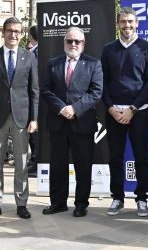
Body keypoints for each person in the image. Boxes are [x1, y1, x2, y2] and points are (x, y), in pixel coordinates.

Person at [40, 27, 103, 217]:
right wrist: (62, 108)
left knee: (83, 166)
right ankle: (58, 203)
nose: (73, 44)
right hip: (58, 122)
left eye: (77, 41)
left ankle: (81, 204)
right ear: (64, 43)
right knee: (57, 165)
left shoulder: (93, 64)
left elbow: (96, 92)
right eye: (70, 41)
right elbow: (46, 90)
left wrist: (74, 109)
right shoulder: (53, 63)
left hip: (82, 123)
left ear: (83, 44)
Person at [0, 17, 38, 220]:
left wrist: (34, 118)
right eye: (10, 31)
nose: (14, 34)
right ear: (3, 33)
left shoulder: (29, 57)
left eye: (17, 31)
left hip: (22, 118)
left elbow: (34, 91)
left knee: (21, 162)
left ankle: (21, 203)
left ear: (21, 35)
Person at [101, 7, 148, 217]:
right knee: (115, 157)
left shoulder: (147, 48)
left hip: (138, 111)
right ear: (118, 24)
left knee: (141, 156)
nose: (127, 25)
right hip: (114, 112)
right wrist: (111, 108)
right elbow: (102, 82)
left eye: (131, 21)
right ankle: (117, 197)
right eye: (123, 22)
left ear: (137, 23)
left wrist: (132, 109)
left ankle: (142, 198)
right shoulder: (108, 49)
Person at [27, 25, 39, 177]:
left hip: (36, 98)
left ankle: (36, 162)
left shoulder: (36, 53)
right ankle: (34, 160)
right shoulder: (34, 52)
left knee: (35, 134)